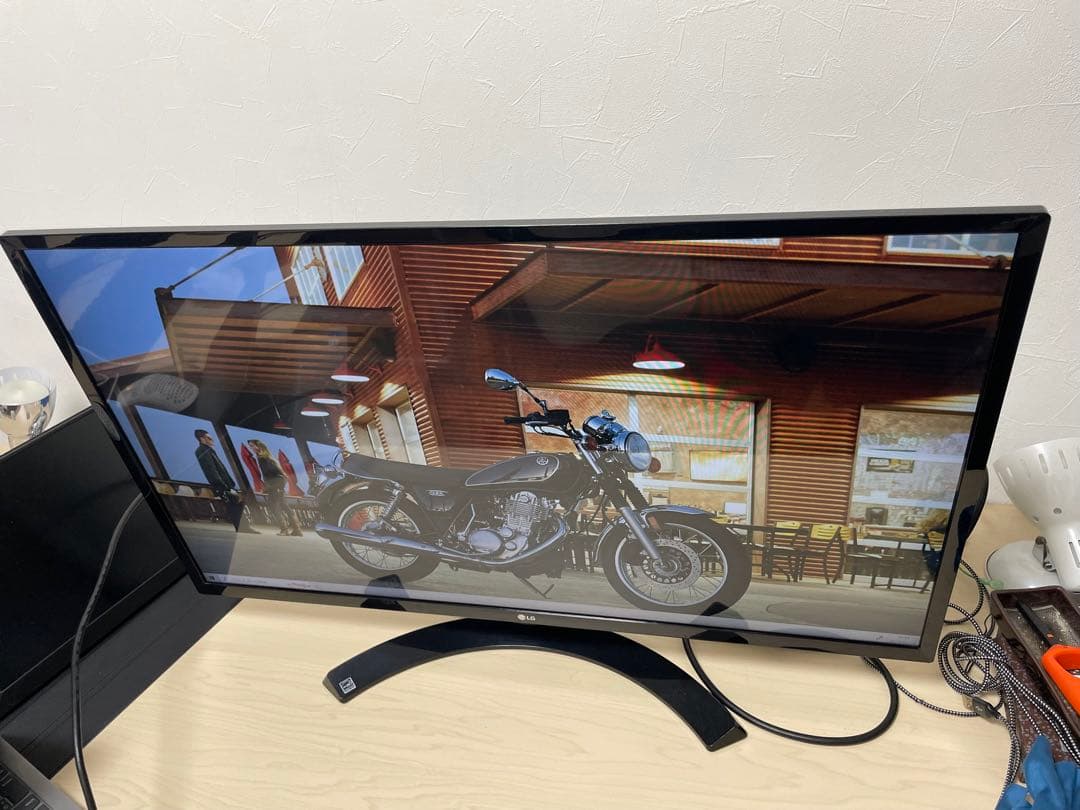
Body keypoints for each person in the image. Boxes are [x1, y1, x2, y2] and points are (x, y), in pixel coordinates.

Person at [194, 429, 258, 533]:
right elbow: (211, 470)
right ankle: (242, 527)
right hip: (222, 485)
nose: (212, 440)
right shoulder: (202, 451)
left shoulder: (208, 450)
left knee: (236, 503)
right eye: (209, 438)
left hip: (225, 484)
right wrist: (222, 485)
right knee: (233, 505)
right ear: (202, 439)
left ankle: (243, 527)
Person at [248, 439, 303, 537]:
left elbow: (273, 474)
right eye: (250, 446)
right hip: (278, 485)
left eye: (252, 446)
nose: (251, 448)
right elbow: (279, 474)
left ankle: (284, 530)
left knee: (275, 508)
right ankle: (297, 530)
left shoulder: (263, 458)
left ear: (259, 446)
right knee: (285, 507)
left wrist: (269, 486)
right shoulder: (267, 457)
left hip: (275, 486)